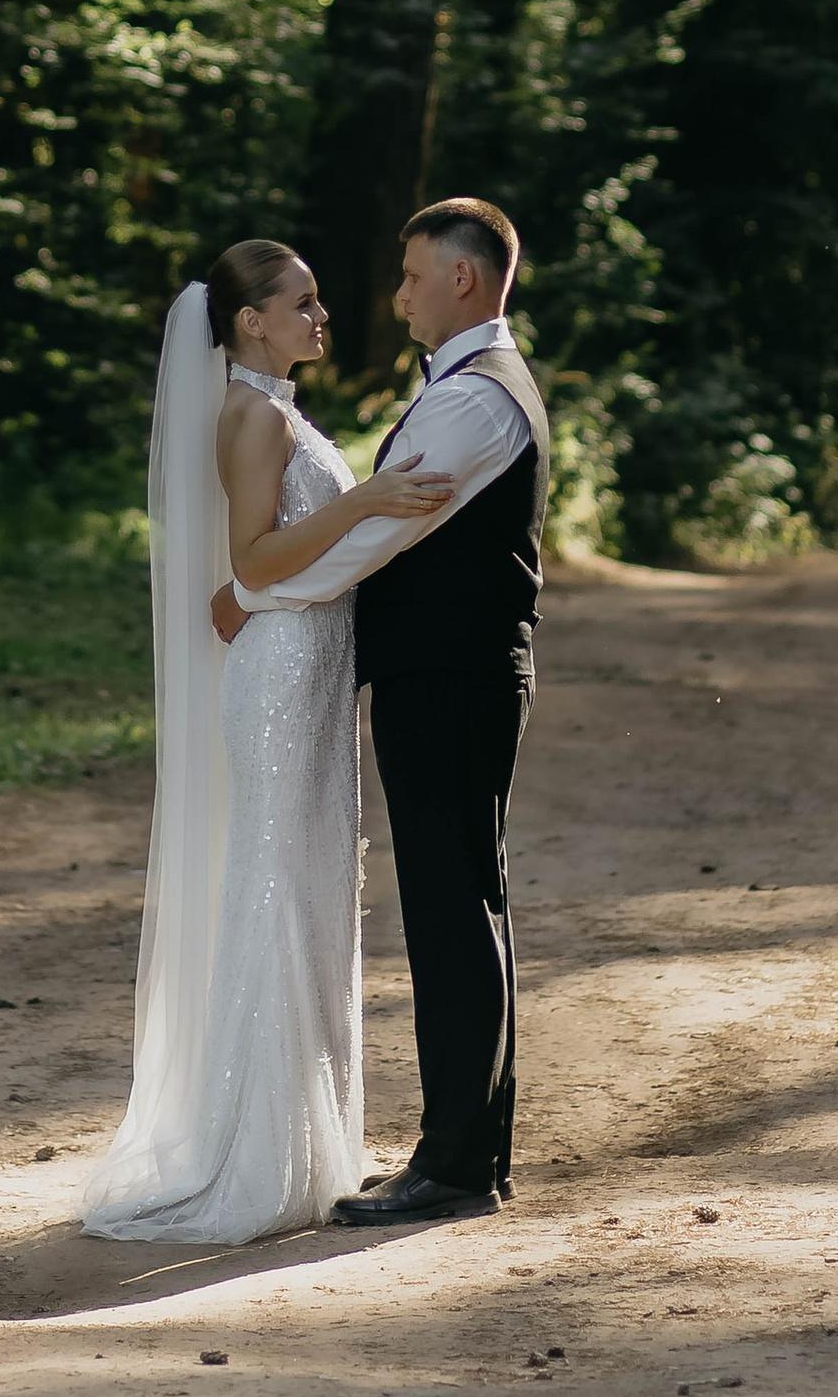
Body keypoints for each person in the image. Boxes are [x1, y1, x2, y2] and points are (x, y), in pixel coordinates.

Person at [80, 241, 453, 1245]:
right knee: (276, 887)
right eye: (304, 303)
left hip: (314, 666)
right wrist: (367, 498)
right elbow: (254, 556)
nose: (322, 316)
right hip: (281, 673)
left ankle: (305, 1145)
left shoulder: (281, 412)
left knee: (313, 887)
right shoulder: (249, 418)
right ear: (250, 321)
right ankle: (253, 1155)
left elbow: (263, 565)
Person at [217, 196, 545, 1226]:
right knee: (464, 905)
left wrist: (250, 596)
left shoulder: (473, 403)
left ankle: (452, 1165)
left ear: (460, 278)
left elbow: (372, 544)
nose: (393, 294)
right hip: (448, 671)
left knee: (452, 912)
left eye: (409, 275)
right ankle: (467, 1151)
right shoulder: (473, 385)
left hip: (447, 676)